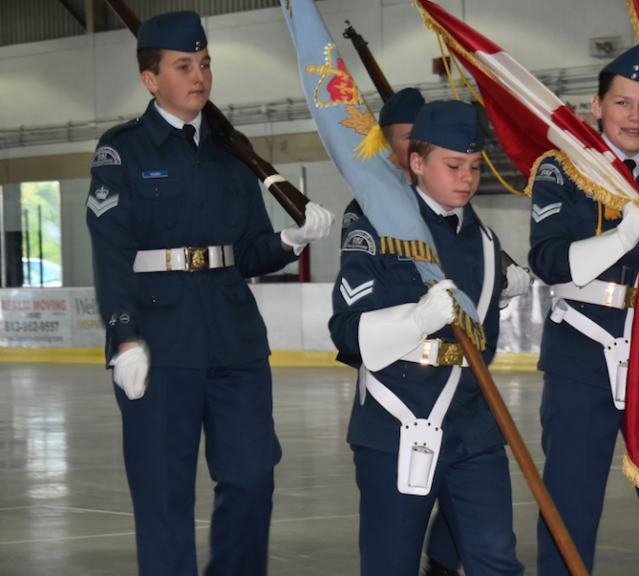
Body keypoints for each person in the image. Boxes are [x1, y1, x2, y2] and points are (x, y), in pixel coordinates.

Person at [85, 11, 334, 576]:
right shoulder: (122, 152)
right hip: (160, 342)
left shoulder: (231, 152)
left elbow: (246, 252)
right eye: (182, 66)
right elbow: (110, 252)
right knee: (165, 495)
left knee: (251, 476)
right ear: (151, 80)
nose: (198, 75)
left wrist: (289, 241)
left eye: (204, 63)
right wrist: (123, 338)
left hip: (235, 340)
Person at [527, 43, 639, 576]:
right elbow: (549, 260)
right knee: (571, 510)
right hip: (580, 364)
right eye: (623, 103)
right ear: (597, 106)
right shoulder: (561, 171)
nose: (635, 117)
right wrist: (623, 231)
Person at [329, 100, 524, 576]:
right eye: (453, 165)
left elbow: (485, 342)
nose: (467, 178)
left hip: (473, 423)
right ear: (416, 163)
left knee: (496, 559)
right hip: (397, 422)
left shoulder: (484, 241)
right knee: (390, 564)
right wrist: (414, 322)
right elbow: (347, 330)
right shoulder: (377, 223)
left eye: (476, 167)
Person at [340, 87, 424, 235]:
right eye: (409, 138)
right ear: (387, 146)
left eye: (424, 137)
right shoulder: (364, 208)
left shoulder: (442, 200)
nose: (420, 145)